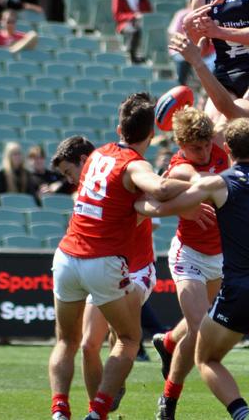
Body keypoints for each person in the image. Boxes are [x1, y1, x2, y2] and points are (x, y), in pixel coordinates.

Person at [136, 117, 249, 420]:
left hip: (239, 286)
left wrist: (137, 206)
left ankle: (242, 414)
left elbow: (164, 200)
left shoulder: (219, 182)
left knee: (205, 357)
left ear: (226, 148)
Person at [48, 93, 198, 420]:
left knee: (69, 341)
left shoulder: (98, 154)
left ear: (118, 126)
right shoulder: (135, 165)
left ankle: (60, 410)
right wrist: (198, 182)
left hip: (69, 257)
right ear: (151, 135)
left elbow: (140, 205)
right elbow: (156, 190)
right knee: (127, 339)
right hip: (104, 262)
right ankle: (97, 411)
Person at [152, 107, 229, 419]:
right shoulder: (181, 167)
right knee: (200, 328)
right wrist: (185, 207)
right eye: (196, 148)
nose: (205, 151)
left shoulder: (219, 146)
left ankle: (169, 341)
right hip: (189, 255)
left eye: (208, 144)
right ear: (181, 145)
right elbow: (193, 183)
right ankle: (169, 401)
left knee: (201, 321)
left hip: (221, 257)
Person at [168, 0, 215, 85]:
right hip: (184, 49)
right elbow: (174, 33)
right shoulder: (182, 14)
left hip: (206, 53)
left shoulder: (207, 15)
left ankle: (206, 93)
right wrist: (187, 44)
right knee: (182, 61)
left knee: (216, 64)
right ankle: (181, 87)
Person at [112, 0, 153, 64]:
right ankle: (132, 56)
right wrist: (133, 16)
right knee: (134, 30)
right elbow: (118, 15)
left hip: (141, 23)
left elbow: (149, 11)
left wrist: (141, 16)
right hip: (126, 24)